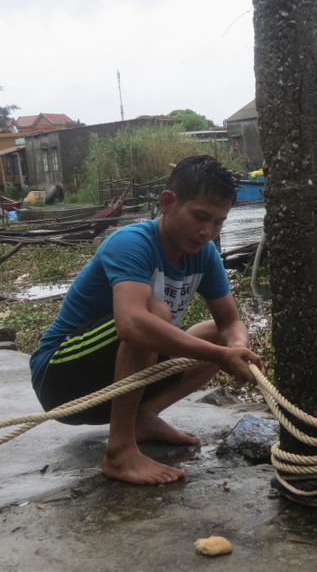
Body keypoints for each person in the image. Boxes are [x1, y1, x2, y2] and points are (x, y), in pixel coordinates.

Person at [29, 155, 263, 485]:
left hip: (111, 388)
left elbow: (229, 322)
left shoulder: (204, 254)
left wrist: (235, 347)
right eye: (200, 216)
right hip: (60, 380)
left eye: (218, 222)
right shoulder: (131, 243)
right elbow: (131, 324)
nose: (206, 231)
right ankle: (120, 452)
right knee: (154, 315)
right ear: (167, 203)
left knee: (217, 335)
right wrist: (221, 357)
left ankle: (143, 417)